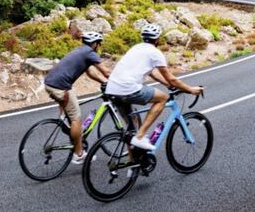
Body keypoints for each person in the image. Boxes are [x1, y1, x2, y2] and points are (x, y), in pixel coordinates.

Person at [105, 23, 203, 151]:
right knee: (162, 98)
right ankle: (140, 137)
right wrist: (190, 89)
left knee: (132, 130)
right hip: (128, 88)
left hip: (112, 89)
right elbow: (171, 78)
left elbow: (153, 72)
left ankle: (133, 164)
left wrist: (167, 84)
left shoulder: (136, 48)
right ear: (157, 39)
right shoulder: (155, 53)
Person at [44, 31, 110, 164]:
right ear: (95, 44)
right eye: (98, 44)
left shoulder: (80, 51)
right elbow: (107, 71)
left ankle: (64, 122)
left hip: (49, 83)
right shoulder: (90, 53)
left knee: (69, 108)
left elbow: (91, 72)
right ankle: (78, 154)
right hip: (61, 87)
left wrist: (104, 82)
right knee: (76, 118)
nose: (99, 46)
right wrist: (118, 82)